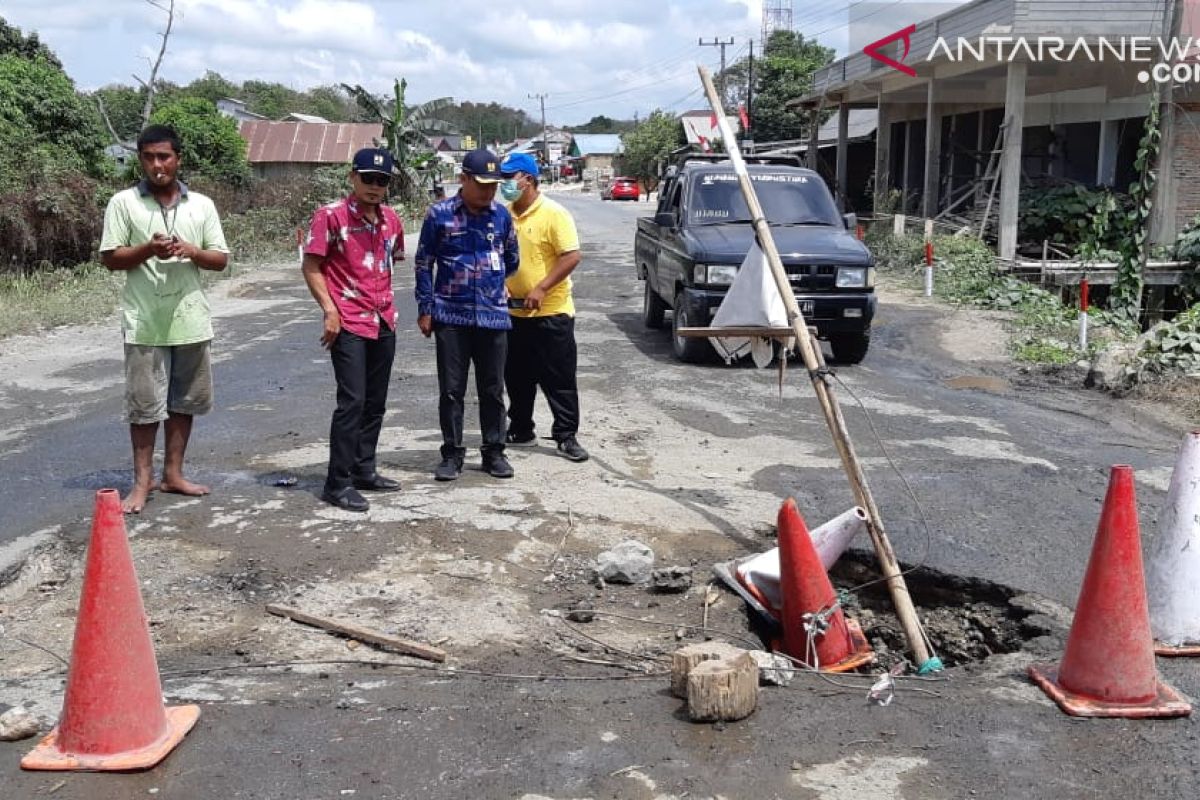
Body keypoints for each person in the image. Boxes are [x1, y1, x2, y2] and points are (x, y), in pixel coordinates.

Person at [99, 125, 230, 514]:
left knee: (183, 402)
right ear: (140, 159)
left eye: (164, 157)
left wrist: (190, 250)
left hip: (190, 318)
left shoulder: (202, 205)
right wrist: (147, 250)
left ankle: (173, 474)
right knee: (143, 405)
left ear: (178, 159)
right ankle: (142, 483)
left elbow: (220, 259)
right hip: (145, 320)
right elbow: (110, 258)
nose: (157, 165)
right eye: (149, 157)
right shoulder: (123, 203)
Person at [301, 148, 404, 512]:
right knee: (352, 402)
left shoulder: (392, 220)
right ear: (353, 177)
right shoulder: (330, 217)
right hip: (348, 321)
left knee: (376, 402)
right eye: (368, 178)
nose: (375, 187)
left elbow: (389, 265)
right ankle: (338, 481)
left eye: (382, 180)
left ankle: (364, 469)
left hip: (384, 320)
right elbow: (311, 266)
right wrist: (329, 310)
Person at [414, 149, 519, 481]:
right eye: (482, 185)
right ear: (463, 179)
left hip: (493, 316)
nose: (488, 192)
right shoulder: (439, 215)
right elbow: (422, 263)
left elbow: (512, 259)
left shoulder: (502, 217)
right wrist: (425, 308)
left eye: (493, 186)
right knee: (451, 390)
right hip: (450, 316)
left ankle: (494, 452)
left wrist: (494, 283)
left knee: (492, 389)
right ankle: (451, 454)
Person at [498, 152, 588, 462]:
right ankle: (521, 427)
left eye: (510, 178)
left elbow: (571, 256)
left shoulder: (554, 214)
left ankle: (566, 434)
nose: (505, 183)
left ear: (529, 179)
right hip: (513, 311)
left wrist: (542, 287)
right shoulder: (504, 214)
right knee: (516, 375)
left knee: (558, 377)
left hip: (551, 311)